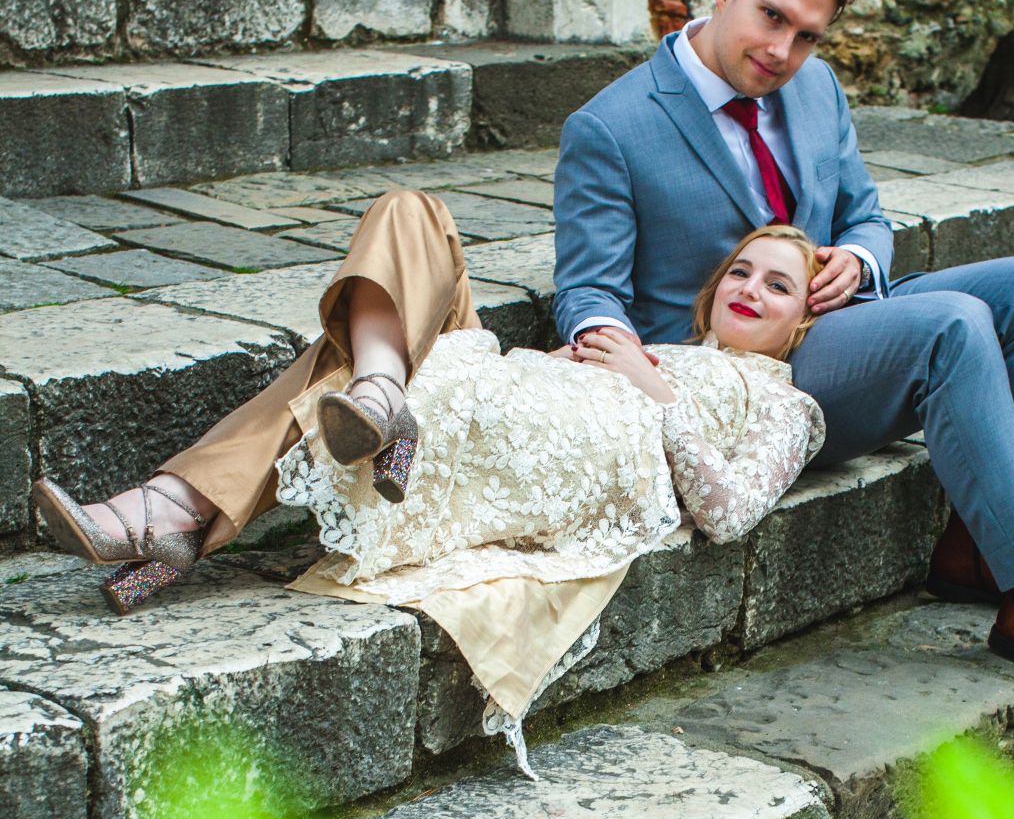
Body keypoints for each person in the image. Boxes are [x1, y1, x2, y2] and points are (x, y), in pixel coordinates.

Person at [552, 0, 1014, 706]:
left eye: (808, 36)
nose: (782, 53)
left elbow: (868, 215)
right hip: (744, 375)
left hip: (838, 319)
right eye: (772, 18)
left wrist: (860, 259)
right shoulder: (613, 125)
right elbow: (588, 288)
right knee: (954, 328)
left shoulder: (814, 89)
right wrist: (622, 361)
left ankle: (980, 549)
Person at [34, 196, 825, 761]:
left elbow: (728, 512)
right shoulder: (655, 344)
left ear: (803, 323)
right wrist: (567, 363)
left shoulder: (790, 405)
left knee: (343, 361)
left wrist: (651, 388)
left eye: (777, 285)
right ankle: (379, 396)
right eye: (741, 272)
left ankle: (188, 505)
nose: (750, 289)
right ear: (713, 289)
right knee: (411, 213)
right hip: (530, 395)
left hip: (559, 448)